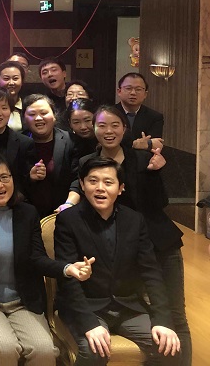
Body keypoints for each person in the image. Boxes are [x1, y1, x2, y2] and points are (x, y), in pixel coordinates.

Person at [0, 152, 93, 366]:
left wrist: (67, 268)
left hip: (23, 301)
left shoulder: (28, 213)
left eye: (4, 177)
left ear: (14, 179)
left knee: (44, 350)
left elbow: (38, 258)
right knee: (5, 348)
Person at [79, 105, 190, 363]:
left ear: (125, 129)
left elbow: (160, 203)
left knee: (174, 315)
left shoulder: (142, 157)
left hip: (158, 243)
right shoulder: (87, 162)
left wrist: (157, 172)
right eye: (102, 125)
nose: (108, 131)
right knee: (144, 310)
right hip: (122, 249)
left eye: (115, 125)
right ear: (94, 129)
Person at [55, 156, 181, 365]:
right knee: (95, 351)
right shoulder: (68, 220)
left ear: (121, 188)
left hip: (127, 307)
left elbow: (151, 272)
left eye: (108, 182)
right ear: (82, 185)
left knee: (169, 348)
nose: (100, 188)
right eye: (93, 181)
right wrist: (89, 323)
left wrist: (162, 320)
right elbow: (67, 279)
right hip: (87, 307)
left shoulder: (134, 220)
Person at [22, 94, 76, 217]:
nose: (38, 118)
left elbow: (77, 178)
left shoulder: (71, 141)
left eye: (44, 113)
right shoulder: (18, 142)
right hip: (28, 215)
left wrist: (69, 203)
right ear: (24, 119)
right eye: (32, 114)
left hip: (65, 212)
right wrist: (30, 178)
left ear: (54, 116)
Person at [115, 72, 164, 151]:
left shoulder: (155, 117)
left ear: (145, 94)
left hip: (142, 158)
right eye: (128, 88)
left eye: (138, 89)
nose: (133, 93)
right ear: (119, 91)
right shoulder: (108, 114)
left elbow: (156, 146)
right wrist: (135, 144)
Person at [0, 61, 26, 132]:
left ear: (22, 81)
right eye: (6, 79)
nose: (11, 83)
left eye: (15, 78)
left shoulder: (28, 105)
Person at [65, 98, 98, 166]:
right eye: (76, 122)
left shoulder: (105, 140)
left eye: (87, 120)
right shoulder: (67, 144)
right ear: (70, 123)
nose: (83, 127)